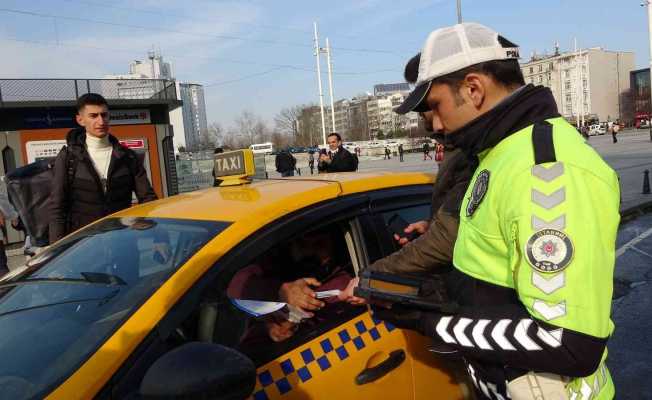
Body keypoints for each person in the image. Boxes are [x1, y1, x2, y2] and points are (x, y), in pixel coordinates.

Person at [364, 23, 619, 399]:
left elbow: (569, 342)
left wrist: (430, 320)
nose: (435, 124)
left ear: (473, 88)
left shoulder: (546, 173)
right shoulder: (497, 155)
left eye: (435, 106)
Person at [49, 93, 157, 243]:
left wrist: (158, 239)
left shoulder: (128, 157)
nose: (101, 121)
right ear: (80, 120)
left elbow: (148, 199)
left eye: (104, 115)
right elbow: (57, 207)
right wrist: (56, 249)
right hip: (84, 246)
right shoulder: (68, 158)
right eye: (93, 116)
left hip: (123, 242)